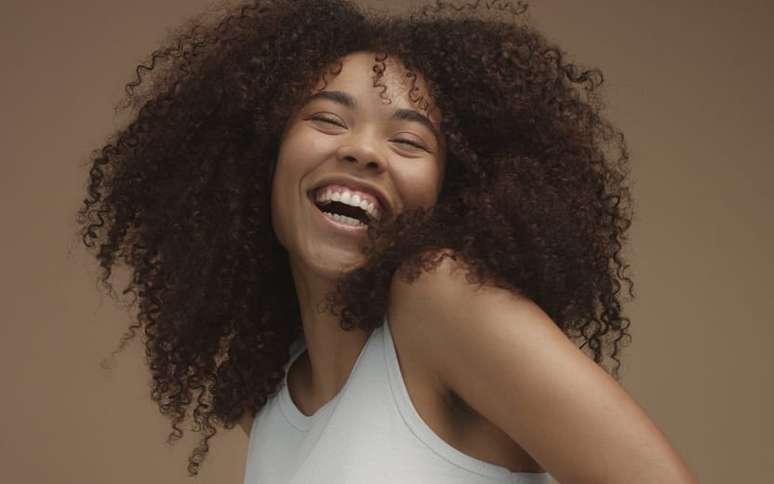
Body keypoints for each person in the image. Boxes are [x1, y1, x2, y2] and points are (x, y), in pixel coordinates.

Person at [75, 0, 698, 482]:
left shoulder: (438, 296)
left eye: (408, 141)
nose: (362, 150)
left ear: (451, 192)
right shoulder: (278, 399)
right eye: (327, 118)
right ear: (259, 160)